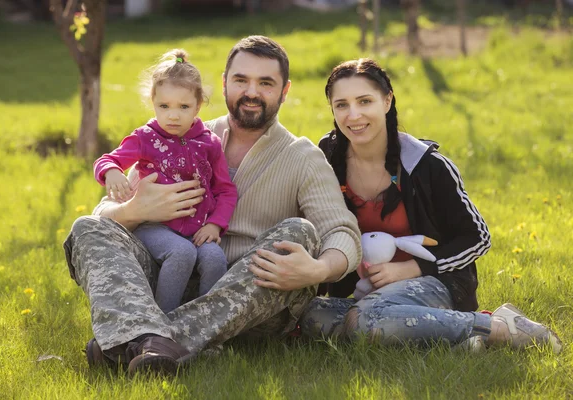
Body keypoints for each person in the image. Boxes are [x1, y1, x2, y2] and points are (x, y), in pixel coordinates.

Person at [64, 36, 361, 375]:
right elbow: (105, 216)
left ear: (285, 90)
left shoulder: (303, 157)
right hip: (169, 278)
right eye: (240, 80)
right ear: (223, 84)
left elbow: (343, 232)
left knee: (301, 232)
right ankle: (152, 343)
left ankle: (133, 339)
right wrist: (136, 210)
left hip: (245, 298)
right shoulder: (179, 132)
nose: (251, 92)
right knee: (86, 226)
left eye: (265, 83)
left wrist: (320, 270)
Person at [299, 58, 562, 353]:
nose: (354, 115)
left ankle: (497, 326)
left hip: (434, 282)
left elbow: (478, 238)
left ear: (387, 101)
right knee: (311, 315)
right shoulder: (328, 156)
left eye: (364, 101)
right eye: (342, 105)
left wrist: (413, 267)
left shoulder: (427, 166)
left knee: (364, 320)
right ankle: (457, 340)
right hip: (365, 290)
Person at [93, 49, 237, 314]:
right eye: (164, 106)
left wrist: (215, 225)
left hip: (197, 228)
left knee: (215, 259)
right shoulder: (145, 138)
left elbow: (226, 190)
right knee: (182, 253)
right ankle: (161, 324)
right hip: (154, 226)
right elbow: (107, 160)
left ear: (198, 106)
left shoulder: (209, 143)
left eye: (183, 107)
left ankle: (202, 325)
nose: (173, 115)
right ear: (153, 102)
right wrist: (112, 172)